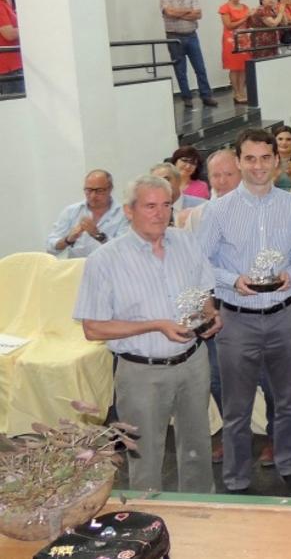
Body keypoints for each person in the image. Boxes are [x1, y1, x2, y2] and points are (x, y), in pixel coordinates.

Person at [74, 174, 220, 493]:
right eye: (150, 206)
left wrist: (210, 315)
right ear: (129, 211)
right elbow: (92, 327)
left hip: (193, 362)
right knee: (146, 456)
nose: (160, 213)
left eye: (166, 205)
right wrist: (155, 325)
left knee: (197, 447)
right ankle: (148, 521)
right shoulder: (104, 261)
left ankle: (202, 515)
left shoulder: (186, 242)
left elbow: (204, 292)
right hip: (140, 371)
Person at [198, 128, 291, 495]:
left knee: (288, 400)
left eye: (265, 158)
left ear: (277, 161)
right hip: (237, 319)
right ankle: (236, 479)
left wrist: (288, 275)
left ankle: (290, 464)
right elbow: (201, 266)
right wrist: (233, 279)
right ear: (238, 161)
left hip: (283, 315)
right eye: (250, 158)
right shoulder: (217, 211)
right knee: (236, 408)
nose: (258, 166)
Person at [160, 0, 216, 108]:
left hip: (191, 35)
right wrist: (187, 11)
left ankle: (206, 96)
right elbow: (169, 12)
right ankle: (186, 97)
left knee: (200, 67)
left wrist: (177, 14)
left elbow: (198, 14)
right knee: (180, 69)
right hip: (174, 37)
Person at [47, 170, 128, 258]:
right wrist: (68, 240)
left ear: (110, 189)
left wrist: (98, 235)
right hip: (78, 268)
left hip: (110, 269)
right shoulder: (71, 211)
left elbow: (125, 249)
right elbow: (50, 248)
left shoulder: (124, 213)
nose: (93, 196)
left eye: (99, 190)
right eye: (88, 190)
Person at [218, 0, 252, 103]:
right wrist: (244, 18)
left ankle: (242, 91)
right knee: (234, 68)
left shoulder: (245, 7)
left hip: (244, 40)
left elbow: (249, 24)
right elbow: (229, 25)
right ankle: (236, 92)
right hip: (230, 40)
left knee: (243, 68)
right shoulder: (225, 8)